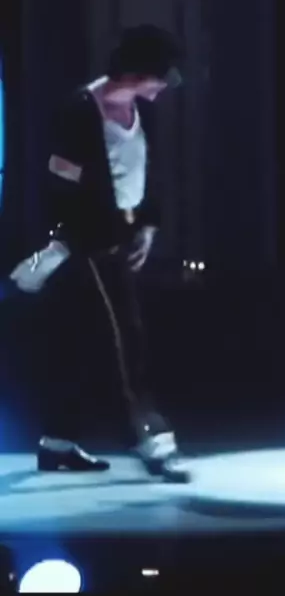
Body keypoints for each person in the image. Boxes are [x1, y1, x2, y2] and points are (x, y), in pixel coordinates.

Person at [32, 24, 190, 481]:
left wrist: (148, 226)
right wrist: (66, 241)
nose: (164, 86)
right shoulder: (80, 110)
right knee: (125, 339)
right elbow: (61, 184)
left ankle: (57, 443)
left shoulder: (143, 112)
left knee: (83, 343)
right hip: (88, 239)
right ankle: (151, 439)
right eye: (160, 75)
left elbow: (147, 171)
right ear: (138, 72)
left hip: (122, 232)